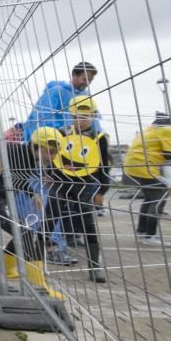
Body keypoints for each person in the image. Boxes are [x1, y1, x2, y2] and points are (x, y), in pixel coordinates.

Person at [0, 127, 66, 299]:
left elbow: (16, 178)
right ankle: (39, 286)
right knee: (26, 235)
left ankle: (7, 270)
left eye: (55, 153)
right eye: (49, 152)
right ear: (36, 146)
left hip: (4, 200)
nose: (52, 157)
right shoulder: (19, 150)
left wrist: (32, 193)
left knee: (23, 233)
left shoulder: (33, 160)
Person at [49, 96, 109, 282]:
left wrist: (101, 191)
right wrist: (50, 175)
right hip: (61, 183)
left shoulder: (98, 137)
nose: (80, 120)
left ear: (92, 116)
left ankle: (95, 266)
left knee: (87, 223)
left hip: (85, 184)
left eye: (85, 116)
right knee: (49, 219)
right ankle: (35, 262)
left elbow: (104, 167)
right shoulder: (61, 133)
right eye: (76, 116)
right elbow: (52, 157)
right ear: (70, 115)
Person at [122, 113, 171, 246]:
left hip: (135, 165)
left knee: (150, 198)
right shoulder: (168, 130)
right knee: (158, 198)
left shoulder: (150, 130)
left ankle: (142, 232)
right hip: (145, 166)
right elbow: (170, 155)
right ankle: (149, 235)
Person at [22, 61, 101, 142]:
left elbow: (94, 118)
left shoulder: (86, 95)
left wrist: (99, 136)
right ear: (74, 75)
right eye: (84, 79)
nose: (87, 83)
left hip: (76, 141)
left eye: (90, 80)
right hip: (51, 141)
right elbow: (44, 117)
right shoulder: (55, 91)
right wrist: (60, 135)